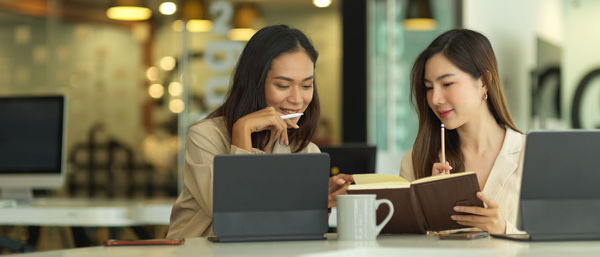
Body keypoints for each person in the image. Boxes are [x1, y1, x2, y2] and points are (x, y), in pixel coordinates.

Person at [167, 25, 353, 238]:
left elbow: (297, 232)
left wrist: (320, 202)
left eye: (306, 85)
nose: (297, 99)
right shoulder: (205, 136)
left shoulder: (306, 151)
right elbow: (234, 216)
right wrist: (242, 133)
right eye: (283, 85)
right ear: (254, 83)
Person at [400, 29, 525, 234]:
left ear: (484, 81)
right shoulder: (416, 162)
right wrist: (428, 206)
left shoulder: (531, 155)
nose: (435, 99)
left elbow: (557, 246)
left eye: (447, 83)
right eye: (429, 87)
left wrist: (503, 230)